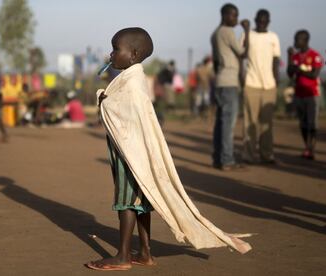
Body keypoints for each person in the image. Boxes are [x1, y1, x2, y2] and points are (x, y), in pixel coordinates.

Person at [86, 27, 251, 272]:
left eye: (115, 49)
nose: (111, 54)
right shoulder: (131, 78)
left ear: (132, 54)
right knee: (141, 201)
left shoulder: (132, 85)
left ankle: (122, 256)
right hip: (134, 154)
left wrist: (103, 101)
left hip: (130, 156)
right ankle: (144, 252)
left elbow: (120, 112)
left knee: (127, 203)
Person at [211, 3, 250, 171]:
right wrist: (247, 31)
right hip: (229, 82)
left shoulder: (216, 33)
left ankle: (218, 158)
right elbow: (243, 53)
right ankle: (227, 160)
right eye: (234, 15)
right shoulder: (227, 31)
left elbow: (215, 61)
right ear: (225, 15)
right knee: (228, 123)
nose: (236, 19)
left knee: (220, 122)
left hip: (220, 81)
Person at [242, 9, 281, 164]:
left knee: (267, 123)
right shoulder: (247, 35)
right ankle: (248, 155)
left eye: (264, 20)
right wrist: (245, 30)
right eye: (259, 20)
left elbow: (276, 60)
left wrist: (276, 80)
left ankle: (267, 154)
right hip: (251, 83)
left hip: (269, 85)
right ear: (255, 20)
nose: (261, 23)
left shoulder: (273, 37)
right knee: (249, 122)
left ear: (268, 21)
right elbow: (242, 55)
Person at [287, 30, 323, 160]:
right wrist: (289, 57)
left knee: (312, 123)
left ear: (305, 41)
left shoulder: (315, 56)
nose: (295, 42)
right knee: (302, 123)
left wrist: (299, 70)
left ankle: (311, 149)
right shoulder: (295, 57)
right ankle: (307, 147)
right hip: (299, 94)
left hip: (312, 94)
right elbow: (290, 74)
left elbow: (314, 74)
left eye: (298, 40)